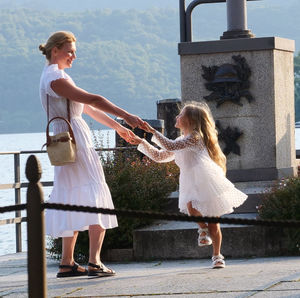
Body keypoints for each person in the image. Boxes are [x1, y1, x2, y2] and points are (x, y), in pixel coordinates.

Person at [39, 31, 145, 278]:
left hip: (65, 139)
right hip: (75, 139)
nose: (74, 55)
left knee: (70, 198)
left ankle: (67, 263)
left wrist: (119, 127)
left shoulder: (55, 76)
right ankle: (95, 262)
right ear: (55, 50)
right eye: (70, 50)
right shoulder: (56, 78)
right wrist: (127, 116)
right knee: (95, 193)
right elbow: (94, 100)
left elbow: (86, 108)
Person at [130, 101, 247, 269]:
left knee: (214, 221)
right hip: (189, 181)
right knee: (191, 207)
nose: (176, 117)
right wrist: (141, 142)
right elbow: (159, 156)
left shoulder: (195, 137)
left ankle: (217, 255)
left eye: (180, 115)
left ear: (190, 120)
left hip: (206, 180)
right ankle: (202, 229)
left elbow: (170, 145)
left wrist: (153, 131)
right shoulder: (180, 139)